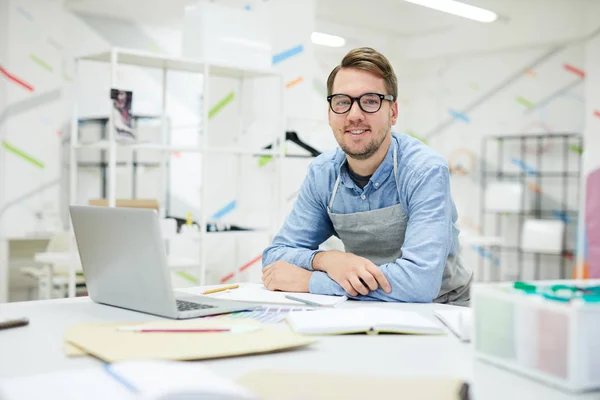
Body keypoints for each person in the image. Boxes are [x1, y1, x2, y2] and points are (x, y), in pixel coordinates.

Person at [261, 47, 473, 305]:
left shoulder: (424, 170)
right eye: (342, 102)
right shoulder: (323, 175)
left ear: (393, 113)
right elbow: (275, 257)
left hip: (441, 309)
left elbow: (419, 284)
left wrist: (309, 281)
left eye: (371, 101)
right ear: (330, 114)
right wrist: (329, 260)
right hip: (363, 305)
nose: (354, 115)